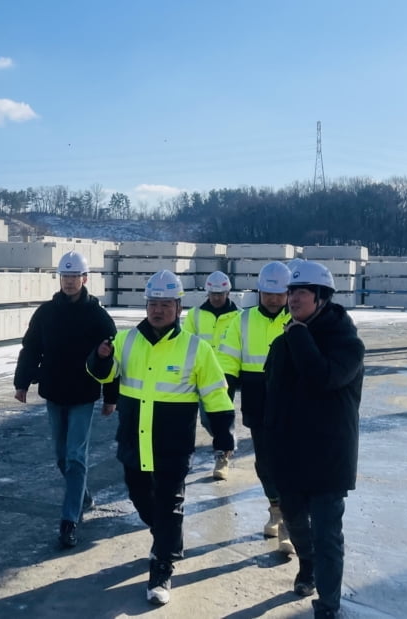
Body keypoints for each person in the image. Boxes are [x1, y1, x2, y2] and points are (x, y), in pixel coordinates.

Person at [88, 269, 232, 606]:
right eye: (153, 303)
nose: (158, 310)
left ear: (178, 307)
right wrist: (99, 357)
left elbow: (216, 395)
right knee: (141, 499)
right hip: (133, 440)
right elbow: (102, 374)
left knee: (169, 504)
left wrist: (223, 436)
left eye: (165, 304)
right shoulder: (125, 340)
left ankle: (163, 565)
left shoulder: (197, 348)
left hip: (173, 444)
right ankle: (165, 536)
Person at [264, 259, 364, 619]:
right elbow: (271, 395)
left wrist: (298, 336)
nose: (292, 299)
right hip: (289, 453)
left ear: (321, 297)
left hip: (327, 455)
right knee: (294, 520)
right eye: (291, 291)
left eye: (302, 292)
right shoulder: (286, 339)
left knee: (326, 533)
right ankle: (306, 565)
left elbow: (323, 378)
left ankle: (328, 603)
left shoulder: (347, 343)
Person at [14, 251, 118, 549]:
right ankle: (82, 494)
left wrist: (111, 397)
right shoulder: (46, 313)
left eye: (75, 277)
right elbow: (31, 348)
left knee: (75, 456)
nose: (70, 282)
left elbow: (114, 358)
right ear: (59, 279)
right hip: (54, 393)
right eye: (65, 276)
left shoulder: (97, 315)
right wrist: (22, 382)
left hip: (84, 395)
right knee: (62, 456)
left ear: (85, 279)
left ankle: (69, 520)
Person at [217, 260, 293, 552]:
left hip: (291, 402)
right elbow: (228, 359)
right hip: (257, 400)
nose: (273, 299)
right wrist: (223, 390)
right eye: (268, 293)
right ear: (259, 292)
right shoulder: (243, 320)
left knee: (289, 462)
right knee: (265, 463)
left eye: (279, 294)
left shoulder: (298, 319)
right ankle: (275, 507)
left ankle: (289, 521)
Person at [181, 270, 241, 480]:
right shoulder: (195, 315)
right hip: (200, 371)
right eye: (213, 294)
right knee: (206, 419)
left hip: (226, 372)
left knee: (220, 416)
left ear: (228, 293)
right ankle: (227, 440)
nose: (216, 298)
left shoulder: (238, 316)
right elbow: (185, 342)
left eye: (220, 294)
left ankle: (222, 455)